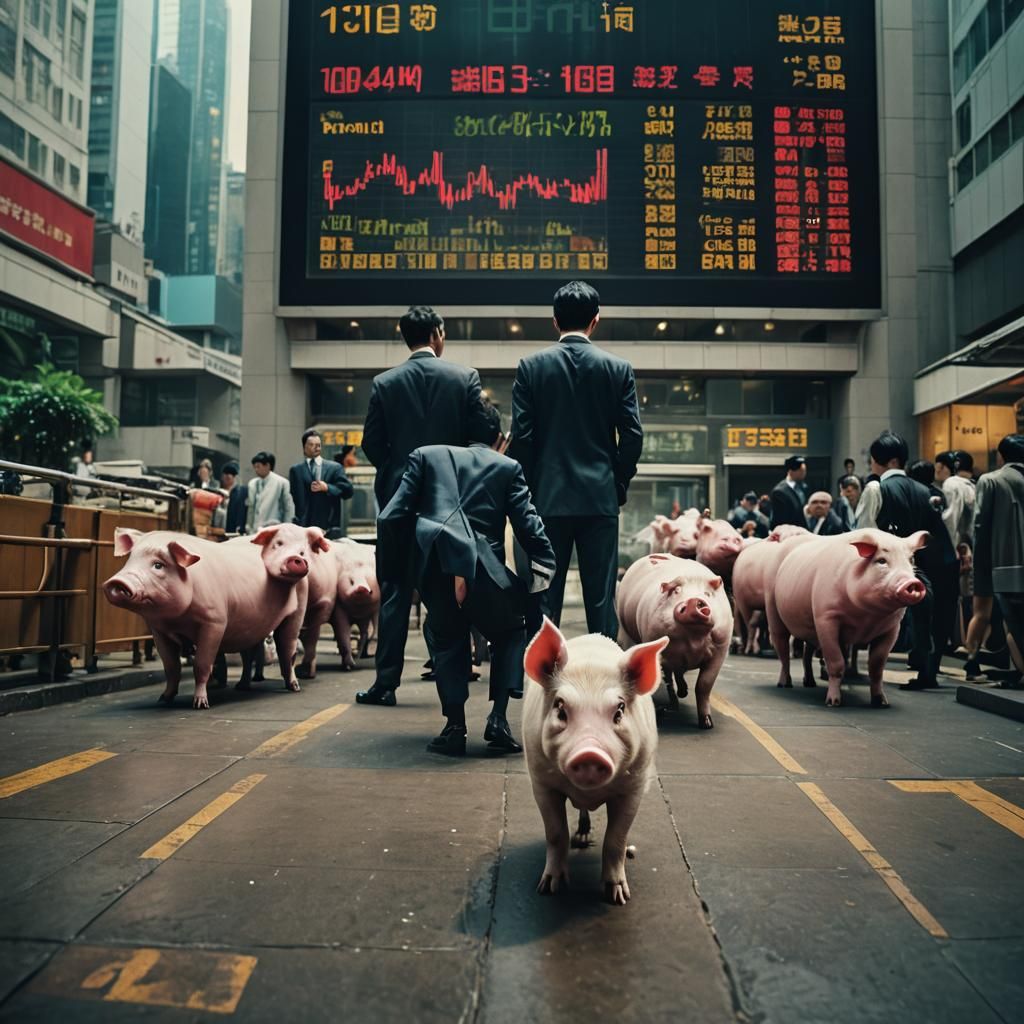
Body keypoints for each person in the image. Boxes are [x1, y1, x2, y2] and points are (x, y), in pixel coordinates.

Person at [375, 401, 556, 755]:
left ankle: (454, 727)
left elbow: (390, 516)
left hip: (438, 567)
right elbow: (529, 524)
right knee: (510, 632)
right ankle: (498, 719)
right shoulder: (508, 466)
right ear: (498, 436)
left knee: (445, 638)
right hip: (486, 570)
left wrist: (399, 571)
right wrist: (544, 565)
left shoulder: (425, 456)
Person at [357, 305, 491, 704]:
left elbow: (371, 444)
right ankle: (454, 681)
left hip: (398, 504)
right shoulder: (464, 378)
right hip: (448, 504)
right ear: (437, 334)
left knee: (395, 593)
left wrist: (399, 475)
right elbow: (482, 437)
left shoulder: (385, 383)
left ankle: (385, 684)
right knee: (449, 593)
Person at [509, 280, 643, 639]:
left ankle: (542, 668)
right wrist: (616, 484)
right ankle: (607, 667)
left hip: (547, 500)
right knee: (601, 599)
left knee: (544, 595)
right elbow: (632, 436)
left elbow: (522, 438)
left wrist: (527, 492)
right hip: (599, 499)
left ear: (555, 321)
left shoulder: (531, 367)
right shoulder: (618, 369)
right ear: (595, 320)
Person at [862, 431, 957, 689]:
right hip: (935, 562)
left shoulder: (877, 488)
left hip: (895, 567)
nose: (872, 465)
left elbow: (864, 532)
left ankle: (875, 673)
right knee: (933, 618)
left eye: (873, 460)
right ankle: (928, 671)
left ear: (890, 461)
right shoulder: (927, 490)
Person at [970, 434, 1024, 680]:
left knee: (1012, 622)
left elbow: (980, 525)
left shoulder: (991, 480)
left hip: (1002, 565)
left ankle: (974, 661)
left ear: (1001, 456)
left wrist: (979, 564)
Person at [289, 429, 353, 534]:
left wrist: (327, 487)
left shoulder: (334, 468)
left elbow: (348, 491)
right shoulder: (296, 470)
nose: (316, 447)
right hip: (303, 527)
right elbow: (294, 498)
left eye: (318, 445)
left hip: (329, 525)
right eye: (312, 445)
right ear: (304, 447)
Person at [246, 451, 295, 533]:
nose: (256, 470)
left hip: (274, 527)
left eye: (258, 466)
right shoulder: (252, 483)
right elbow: (251, 509)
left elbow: (288, 508)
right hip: (255, 528)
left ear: (267, 466)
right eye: (254, 467)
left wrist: (286, 528)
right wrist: (249, 526)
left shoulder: (282, 483)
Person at [770, 455, 808, 528]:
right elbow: (780, 520)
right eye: (801, 471)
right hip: (789, 530)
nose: (804, 473)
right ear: (791, 471)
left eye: (804, 471)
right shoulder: (780, 492)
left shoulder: (804, 488)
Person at [219, 462, 247, 534]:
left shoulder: (240, 492)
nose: (226, 477)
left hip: (234, 527)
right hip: (221, 527)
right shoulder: (219, 492)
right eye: (225, 475)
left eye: (229, 476)